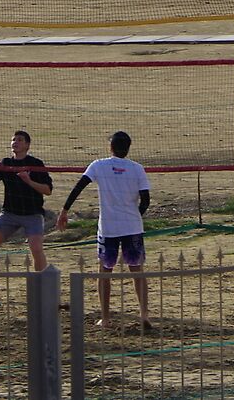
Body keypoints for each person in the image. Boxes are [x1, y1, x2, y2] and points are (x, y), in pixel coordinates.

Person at [59, 131, 151, 331]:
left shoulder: (99, 165)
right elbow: (146, 200)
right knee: (137, 271)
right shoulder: (137, 169)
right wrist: (135, 216)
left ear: (110, 147)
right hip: (132, 226)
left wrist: (64, 210)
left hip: (109, 227)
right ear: (128, 147)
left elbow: (78, 187)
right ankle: (144, 313)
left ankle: (106, 317)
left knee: (105, 271)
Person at [0, 130, 54, 298]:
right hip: (9, 214)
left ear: (27, 145)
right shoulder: (5, 163)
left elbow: (48, 190)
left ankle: (43, 287)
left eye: (19, 140)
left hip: (33, 214)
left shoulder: (35, 164)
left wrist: (28, 181)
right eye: (13, 139)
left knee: (36, 248)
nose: (15, 142)